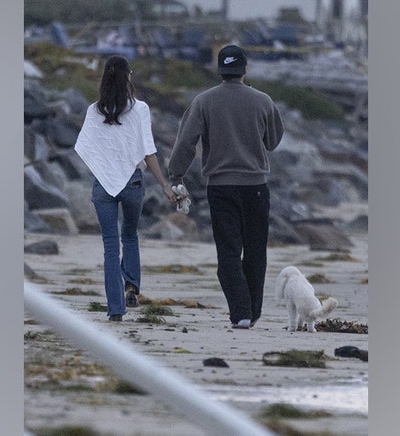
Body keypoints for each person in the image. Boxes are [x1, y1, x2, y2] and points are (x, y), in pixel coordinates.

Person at [167, 45, 284, 329]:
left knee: (229, 252)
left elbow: (185, 143)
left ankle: (241, 312)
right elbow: (273, 141)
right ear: (245, 69)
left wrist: (176, 176)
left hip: (220, 187)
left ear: (220, 70)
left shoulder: (204, 101)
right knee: (256, 250)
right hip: (256, 186)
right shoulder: (263, 101)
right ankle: (252, 312)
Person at [74, 55, 178, 322]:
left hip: (103, 185)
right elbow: (149, 151)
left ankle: (115, 310)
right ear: (128, 77)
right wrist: (165, 186)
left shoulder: (94, 110)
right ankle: (131, 285)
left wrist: (104, 168)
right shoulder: (140, 109)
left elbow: (85, 148)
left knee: (110, 246)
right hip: (133, 182)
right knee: (129, 235)